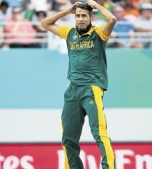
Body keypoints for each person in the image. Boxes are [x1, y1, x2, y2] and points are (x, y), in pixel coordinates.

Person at [41, 1, 116, 169]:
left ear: (91, 17)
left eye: (84, 16)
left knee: (100, 134)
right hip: (72, 89)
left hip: (92, 89)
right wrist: (67, 10)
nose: (80, 19)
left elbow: (112, 20)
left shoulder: (98, 33)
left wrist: (97, 5)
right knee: (68, 137)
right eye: (78, 16)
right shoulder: (69, 33)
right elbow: (44, 23)